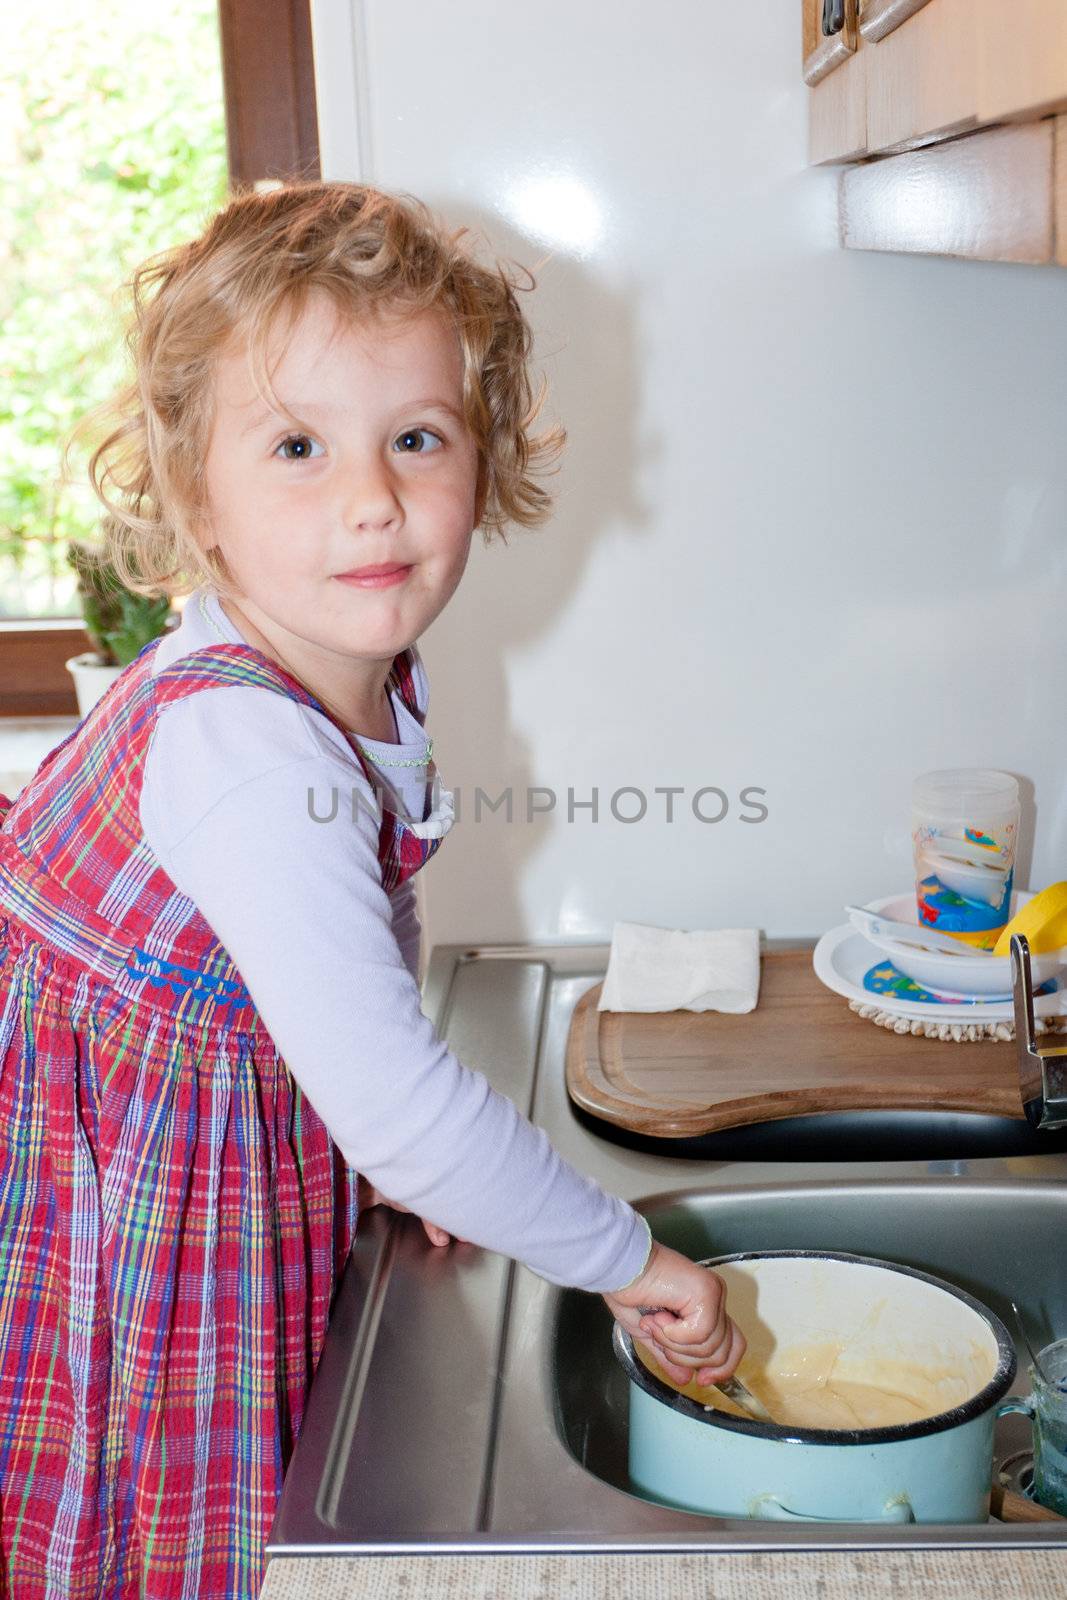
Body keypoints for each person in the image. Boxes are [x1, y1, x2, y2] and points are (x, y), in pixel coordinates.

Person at [0, 181, 744, 1598]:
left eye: (417, 437)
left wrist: (367, 1157)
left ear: (485, 456)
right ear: (193, 494)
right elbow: (400, 1101)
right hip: (120, 1225)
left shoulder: (339, 682)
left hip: (209, 1166)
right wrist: (627, 1259)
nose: (372, 499)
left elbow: (345, 978)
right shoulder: (246, 744)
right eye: (296, 445)